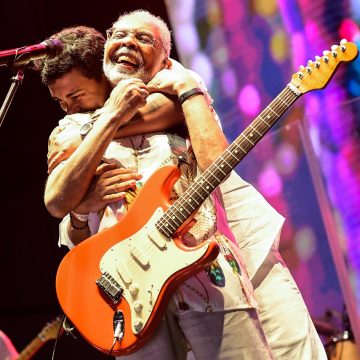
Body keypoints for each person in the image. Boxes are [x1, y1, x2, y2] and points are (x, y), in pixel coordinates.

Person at [36, 13, 327, 359]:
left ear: (164, 59)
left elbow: (216, 161)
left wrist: (90, 134)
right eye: (120, 34)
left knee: (290, 349)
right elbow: (58, 202)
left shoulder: (179, 90)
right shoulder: (72, 126)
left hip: (222, 251)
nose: (68, 107)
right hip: (137, 280)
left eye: (144, 39)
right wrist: (81, 208)